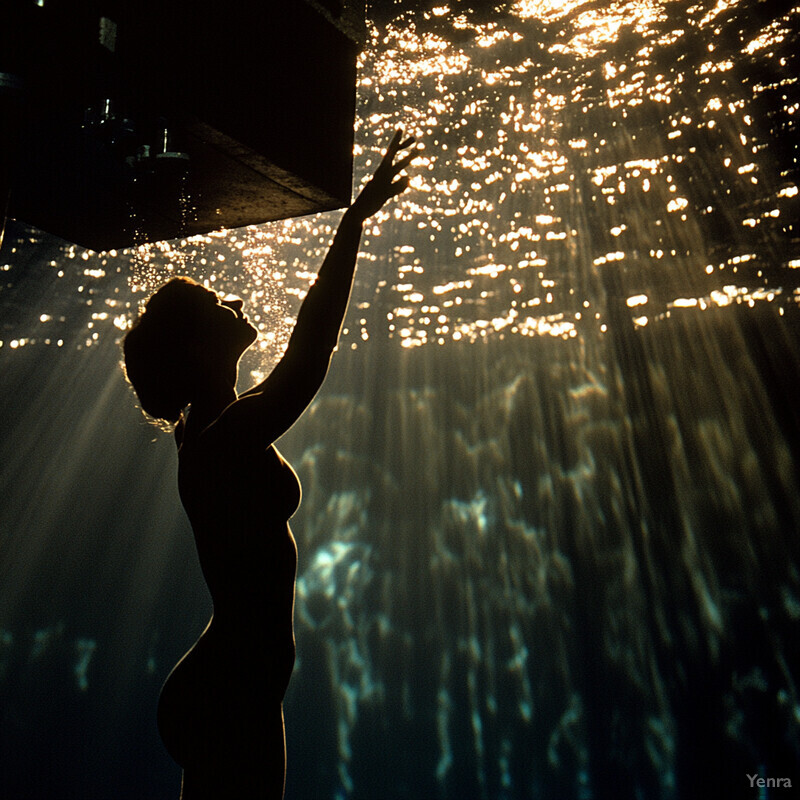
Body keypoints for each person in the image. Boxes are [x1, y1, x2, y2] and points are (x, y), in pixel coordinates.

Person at [123, 130, 417, 799]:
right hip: (231, 689)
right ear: (200, 349)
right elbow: (309, 358)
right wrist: (353, 222)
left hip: (236, 685)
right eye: (216, 306)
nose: (234, 302)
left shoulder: (216, 427)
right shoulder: (221, 439)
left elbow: (295, 363)